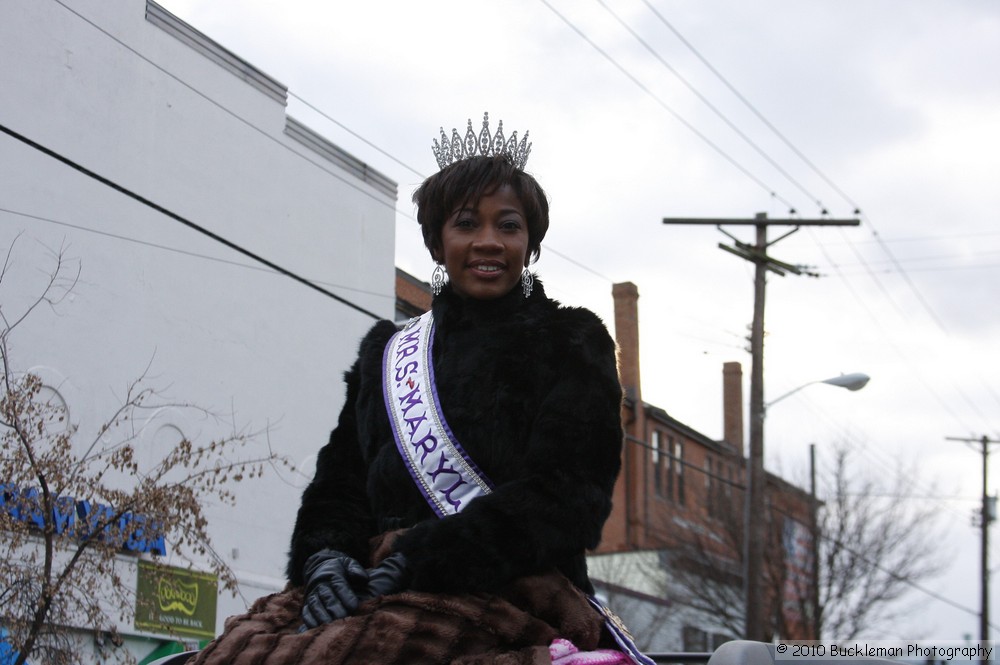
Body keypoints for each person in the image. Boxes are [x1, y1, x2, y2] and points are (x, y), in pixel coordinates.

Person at [191, 114, 648, 665]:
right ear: (437, 243)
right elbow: (341, 479)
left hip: (510, 588)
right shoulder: (389, 352)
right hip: (373, 579)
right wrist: (325, 560)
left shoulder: (571, 341)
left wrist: (425, 557)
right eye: (465, 224)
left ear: (530, 242)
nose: (488, 242)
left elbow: (568, 497)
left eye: (508, 225)